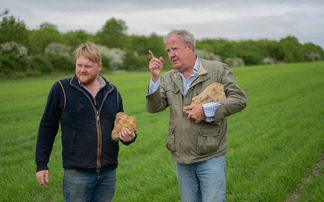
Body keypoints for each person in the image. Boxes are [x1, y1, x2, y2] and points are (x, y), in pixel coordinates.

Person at [146, 30, 247, 202]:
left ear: (189, 47)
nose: (171, 54)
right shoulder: (168, 78)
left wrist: (207, 110)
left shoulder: (217, 70)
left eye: (175, 49)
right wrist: (155, 79)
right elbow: (154, 107)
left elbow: (239, 99)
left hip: (211, 155)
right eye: (168, 51)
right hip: (182, 158)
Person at [35, 42, 136, 202]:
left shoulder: (113, 92)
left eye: (88, 66)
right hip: (77, 174)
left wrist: (130, 138)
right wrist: (41, 164)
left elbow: (119, 128)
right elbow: (47, 128)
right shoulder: (61, 89)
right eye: (79, 65)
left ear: (99, 66)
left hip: (108, 172)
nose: (82, 70)